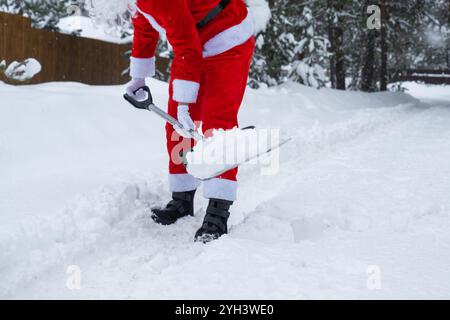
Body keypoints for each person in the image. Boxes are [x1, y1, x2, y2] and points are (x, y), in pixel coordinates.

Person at [126, 0, 255, 242]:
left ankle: (218, 210)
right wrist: (138, 78)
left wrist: (186, 105)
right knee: (175, 124)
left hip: (228, 37)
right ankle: (182, 198)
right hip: (193, 40)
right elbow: (145, 26)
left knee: (218, 124)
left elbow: (187, 46)